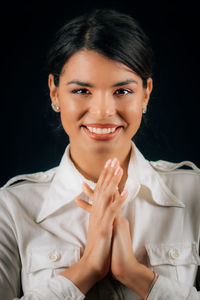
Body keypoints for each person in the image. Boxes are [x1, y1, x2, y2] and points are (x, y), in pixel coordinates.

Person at [0, 8, 199, 300]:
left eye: (122, 91)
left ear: (146, 93)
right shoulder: (12, 208)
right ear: (55, 93)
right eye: (82, 91)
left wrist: (136, 274)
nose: (104, 111)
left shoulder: (194, 193)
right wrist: (86, 269)